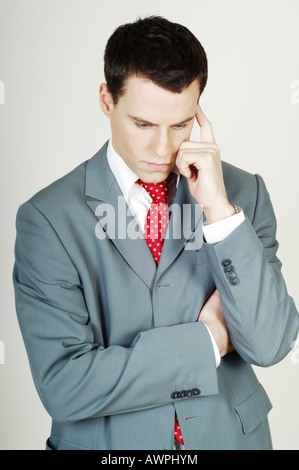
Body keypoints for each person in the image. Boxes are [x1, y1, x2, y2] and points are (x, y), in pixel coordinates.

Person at [13, 16, 298, 451]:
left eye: (181, 124)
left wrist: (220, 214)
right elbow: (65, 384)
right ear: (107, 101)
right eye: (143, 124)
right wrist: (207, 341)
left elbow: (272, 343)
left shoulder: (243, 194)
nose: (163, 150)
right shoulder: (47, 219)